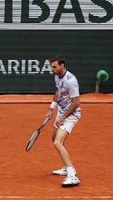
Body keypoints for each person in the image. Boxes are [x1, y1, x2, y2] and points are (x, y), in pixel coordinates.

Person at [46, 55, 81, 187]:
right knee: (55, 139)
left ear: (62, 66)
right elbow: (58, 91)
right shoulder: (57, 76)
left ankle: (72, 175)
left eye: (54, 67)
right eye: (51, 67)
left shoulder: (70, 81)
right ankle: (67, 167)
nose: (52, 69)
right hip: (61, 111)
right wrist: (51, 108)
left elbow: (76, 103)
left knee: (57, 142)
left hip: (71, 114)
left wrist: (64, 117)